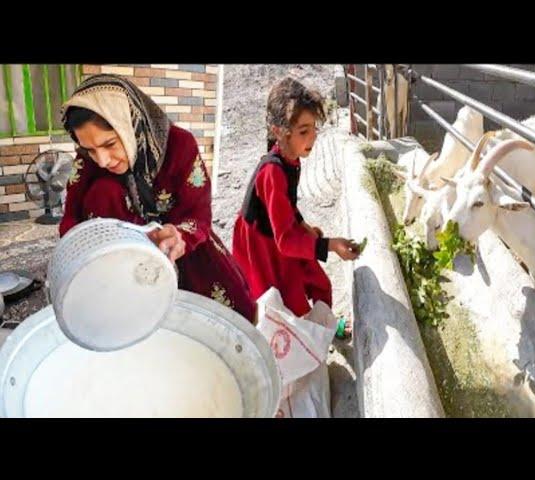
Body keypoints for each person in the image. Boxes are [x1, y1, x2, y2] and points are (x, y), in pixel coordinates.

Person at [59, 74, 256, 323]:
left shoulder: (179, 145)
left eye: (110, 143)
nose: (102, 160)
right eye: (89, 149)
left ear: (131, 124)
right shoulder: (88, 162)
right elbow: (70, 220)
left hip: (181, 251)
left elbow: (199, 215)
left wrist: (179, 236)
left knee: (221, 322)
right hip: (121, 262)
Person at [232, 77, 360, 338]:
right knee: (285, 304)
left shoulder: (292, 159)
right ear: (280, 131)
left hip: (282, 234)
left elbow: (286, 206)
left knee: (318, 282)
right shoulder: (272, 172)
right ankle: (299, 345)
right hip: (263, 245)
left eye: (313, 128)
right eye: (303, 131)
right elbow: (284, 241)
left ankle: (324, 326)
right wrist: (329, 245)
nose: (312, 136)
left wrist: (303, 227)